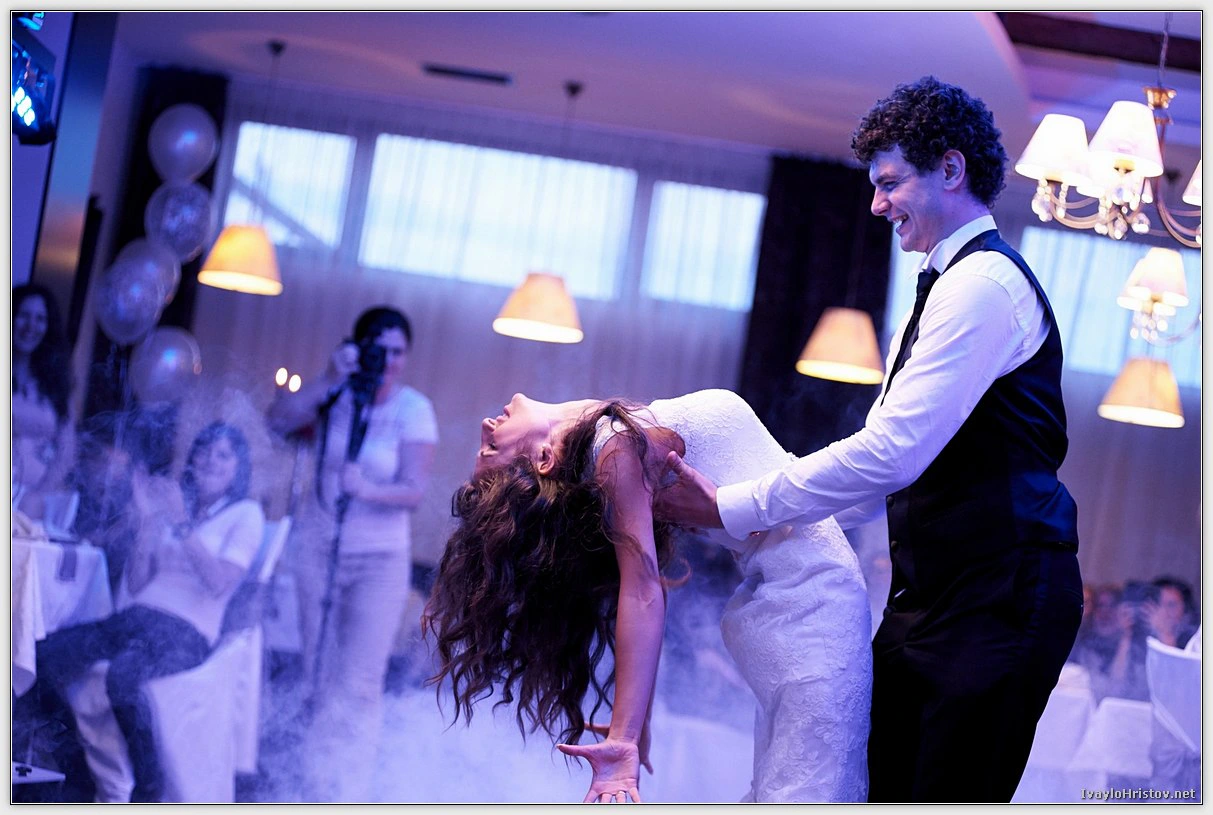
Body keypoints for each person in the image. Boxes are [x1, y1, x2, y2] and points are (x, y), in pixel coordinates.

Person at [655, 76, 1082, 803]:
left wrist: (735, 505)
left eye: (890, 183)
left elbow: (890, 453)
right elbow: (886, 470)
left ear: (950, 169)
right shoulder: (939, 284)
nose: (877, 204)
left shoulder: (982, 286)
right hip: (937, 595)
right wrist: (745, 517)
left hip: (999, 595)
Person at [425, 388, 872, 803]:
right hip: (811, 610)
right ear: (544, 458)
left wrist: (635, 724)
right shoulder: (616, 447)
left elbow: (644, 588)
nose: (486, 424)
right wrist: (625, 736)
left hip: (799, 612)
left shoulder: (620, 438)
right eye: (491, 447)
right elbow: (641, 590)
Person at [36, 421, 265, 801]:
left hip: (186, 632)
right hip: (137, 618)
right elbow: (139, 583)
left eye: (224, 455)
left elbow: (219, 582)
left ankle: (149, 789)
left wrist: (181, 522)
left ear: (238, 468)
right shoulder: (180, 508)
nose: (211, 460)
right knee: (44, 657)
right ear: (192, 460)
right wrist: (146, 521)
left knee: (124, 677)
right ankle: (75, 772)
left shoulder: (246, 514)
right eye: (204, 451)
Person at [267, 306, 437, 802]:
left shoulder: (413, 409)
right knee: (317, 674)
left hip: (379, 561)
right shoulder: (335, 394)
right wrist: (327, 378)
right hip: (319, 551)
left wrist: (366, 490)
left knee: (359, 683)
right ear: (358, 348)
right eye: (379, 350)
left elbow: (413, 490)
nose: (389, 361)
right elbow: (277, 422)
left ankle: (349, 792)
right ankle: (312, 783)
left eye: (398, 352)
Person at [12, 283, 75, 515]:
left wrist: (38, 495)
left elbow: (67, 452)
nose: (31, 326)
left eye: (40, 319)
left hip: (35, 506)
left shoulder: (56, 383)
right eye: (23, 315)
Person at [1147, 576, 1198, 650]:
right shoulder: (1137, 633)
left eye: (1171, 605)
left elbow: (1170, 657)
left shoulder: (1195, 641)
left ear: (1185, 610)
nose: (1163, 611)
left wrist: (1165, 633)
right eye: (1158, 603)